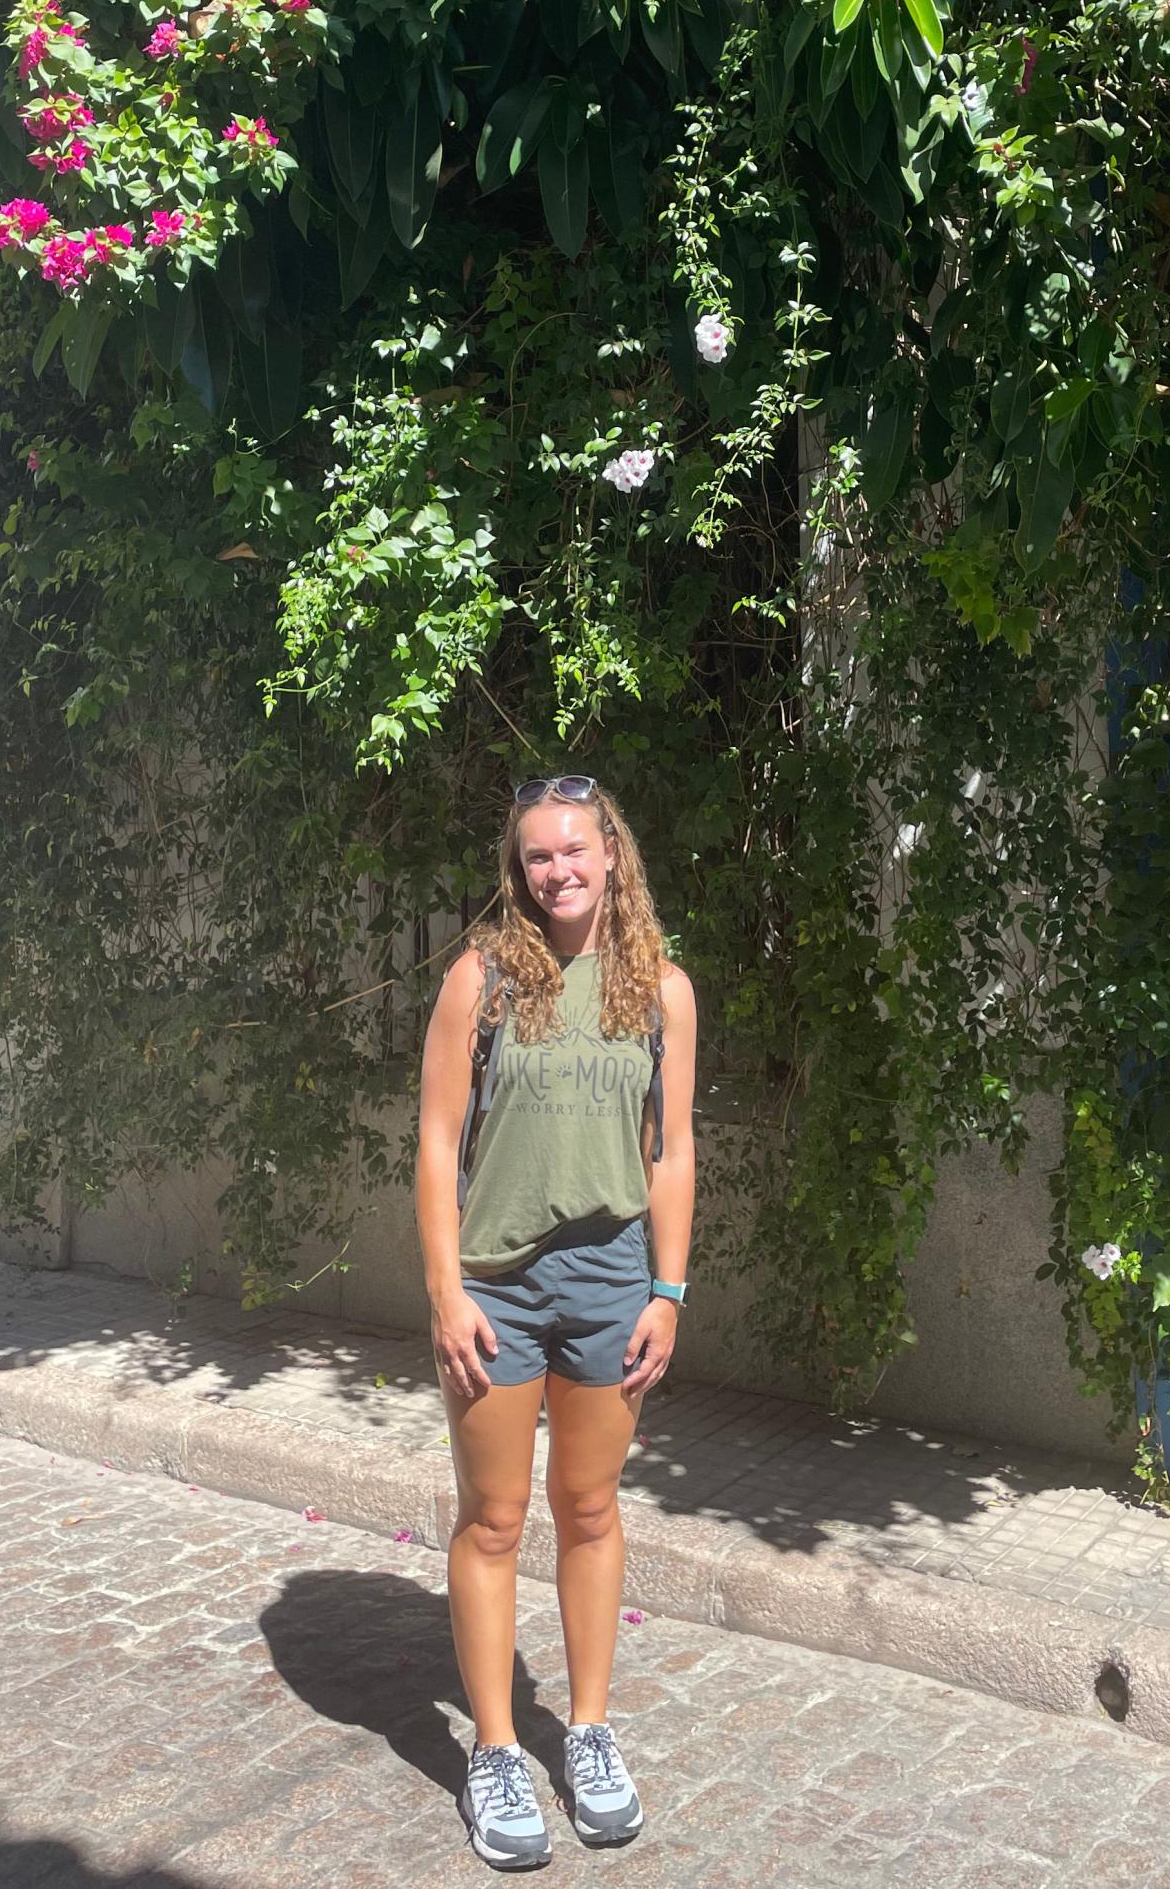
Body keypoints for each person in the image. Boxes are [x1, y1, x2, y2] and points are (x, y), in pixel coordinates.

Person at [415, 773, 697, 1869]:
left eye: (575, 848)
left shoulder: (660, 989)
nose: (558, 869)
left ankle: (586, 1730)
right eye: (537, 855)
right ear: (518, 869)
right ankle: (492, 1748)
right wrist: (447, 1290)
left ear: (612, 854)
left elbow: (670, 1152)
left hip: (612, 1279)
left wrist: (667, 1291)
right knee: (493, 1518)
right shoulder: (480, 980)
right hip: (497, 1285)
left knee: (588, 1506)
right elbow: (438, 1145)